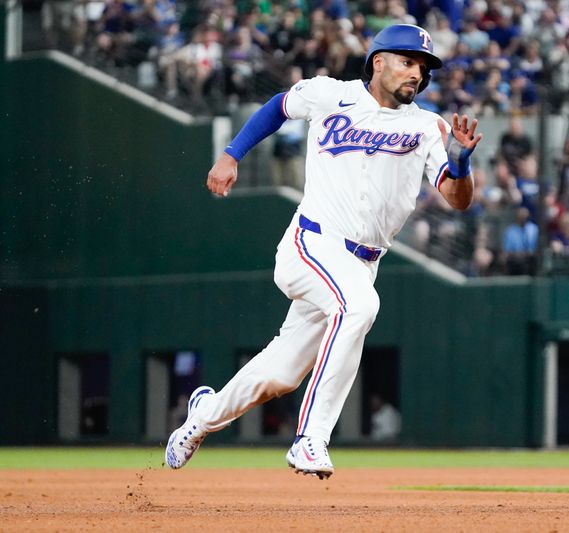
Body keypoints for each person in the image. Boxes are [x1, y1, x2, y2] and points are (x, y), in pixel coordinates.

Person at [165, 24, 483, 479]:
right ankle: (311, 438)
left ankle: (202, 416)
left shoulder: (427, 127)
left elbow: (458, 198)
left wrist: (461, 162)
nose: (417, 72)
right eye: (408, 61)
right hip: (311, 243)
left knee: (282, 373)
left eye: (423, 67)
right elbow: (278, 107)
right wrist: (232, 153)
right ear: (379, 61)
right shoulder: (330, 94)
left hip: (361, 263)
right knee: (359, 307)